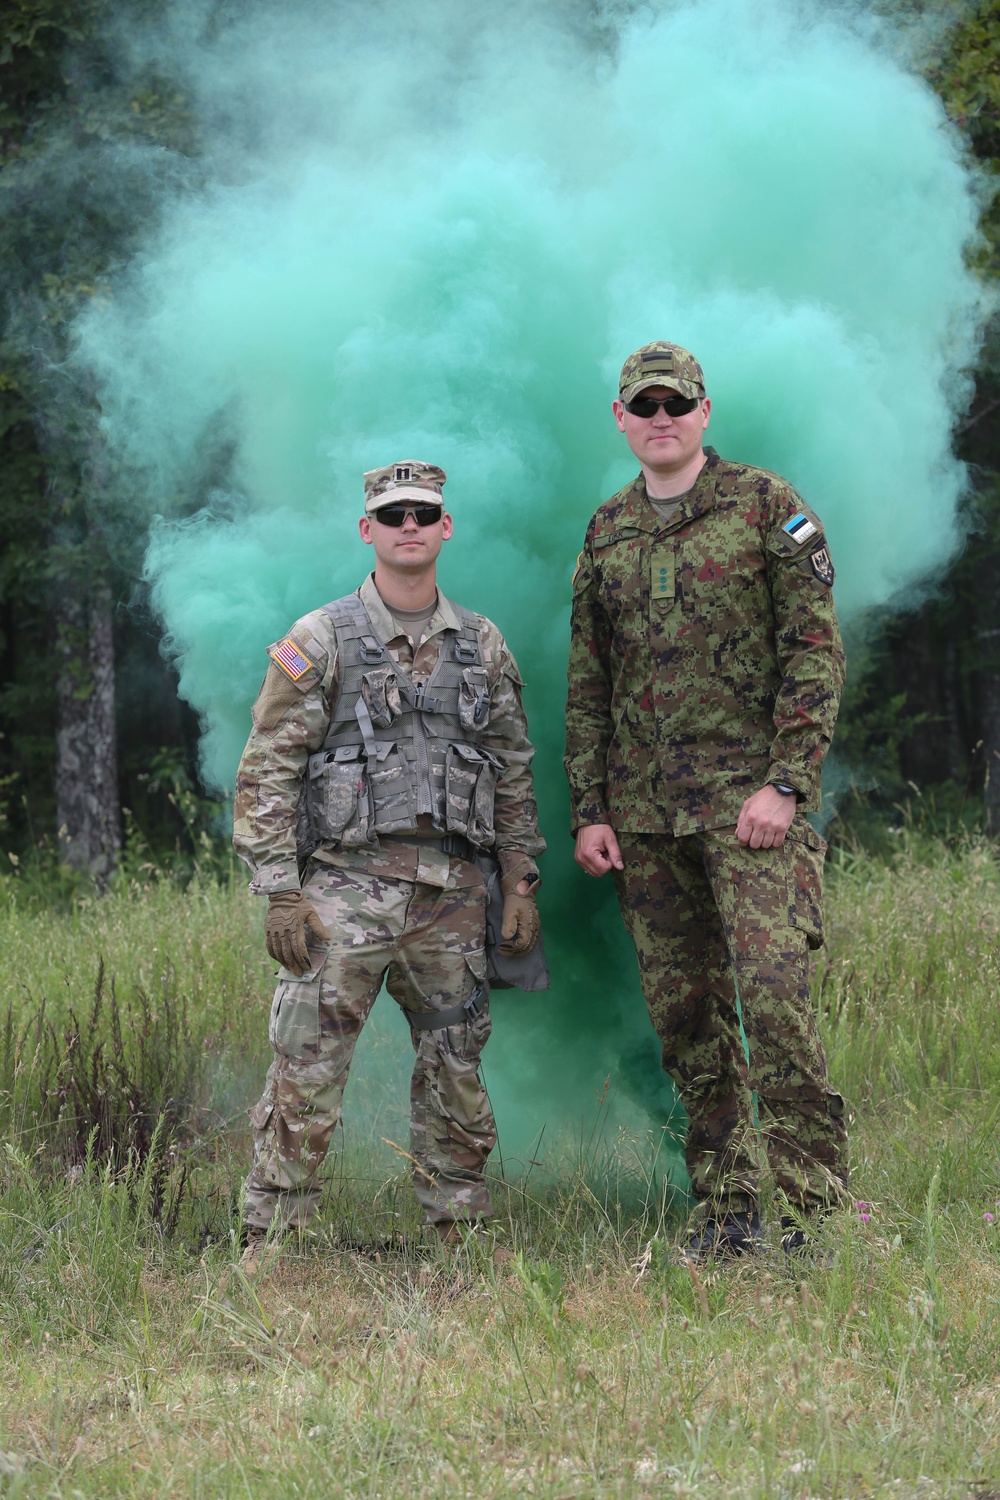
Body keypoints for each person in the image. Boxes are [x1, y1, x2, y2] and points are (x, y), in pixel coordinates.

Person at [564, 341, 848, 1261]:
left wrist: (786, 783)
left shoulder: (770, 509)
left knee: (773, 1006)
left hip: (751, 813)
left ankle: (815, 1211)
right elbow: (589, 682)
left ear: (704, 412)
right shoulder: (607, 531)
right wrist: (590, 808)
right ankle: (727, 1209)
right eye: (643, 406)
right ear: (620, 419)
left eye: (676, 404)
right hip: (646, 821)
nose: (661, 419)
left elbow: (815, 655)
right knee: (687, 1021)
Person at [234, 460, 545, 1266]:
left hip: (450, 895)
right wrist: (278, 892)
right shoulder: (321, 638)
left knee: (456, 1069)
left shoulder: (480, 643)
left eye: (424, 514)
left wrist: (518, 880)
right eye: (393, 513)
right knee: (307, 1066)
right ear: (367, 530)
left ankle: (461, 1244)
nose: (409, 526)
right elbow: (268, 765)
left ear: (446, 529)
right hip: (345, 887)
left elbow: (512, 764)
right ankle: (269, 1248)